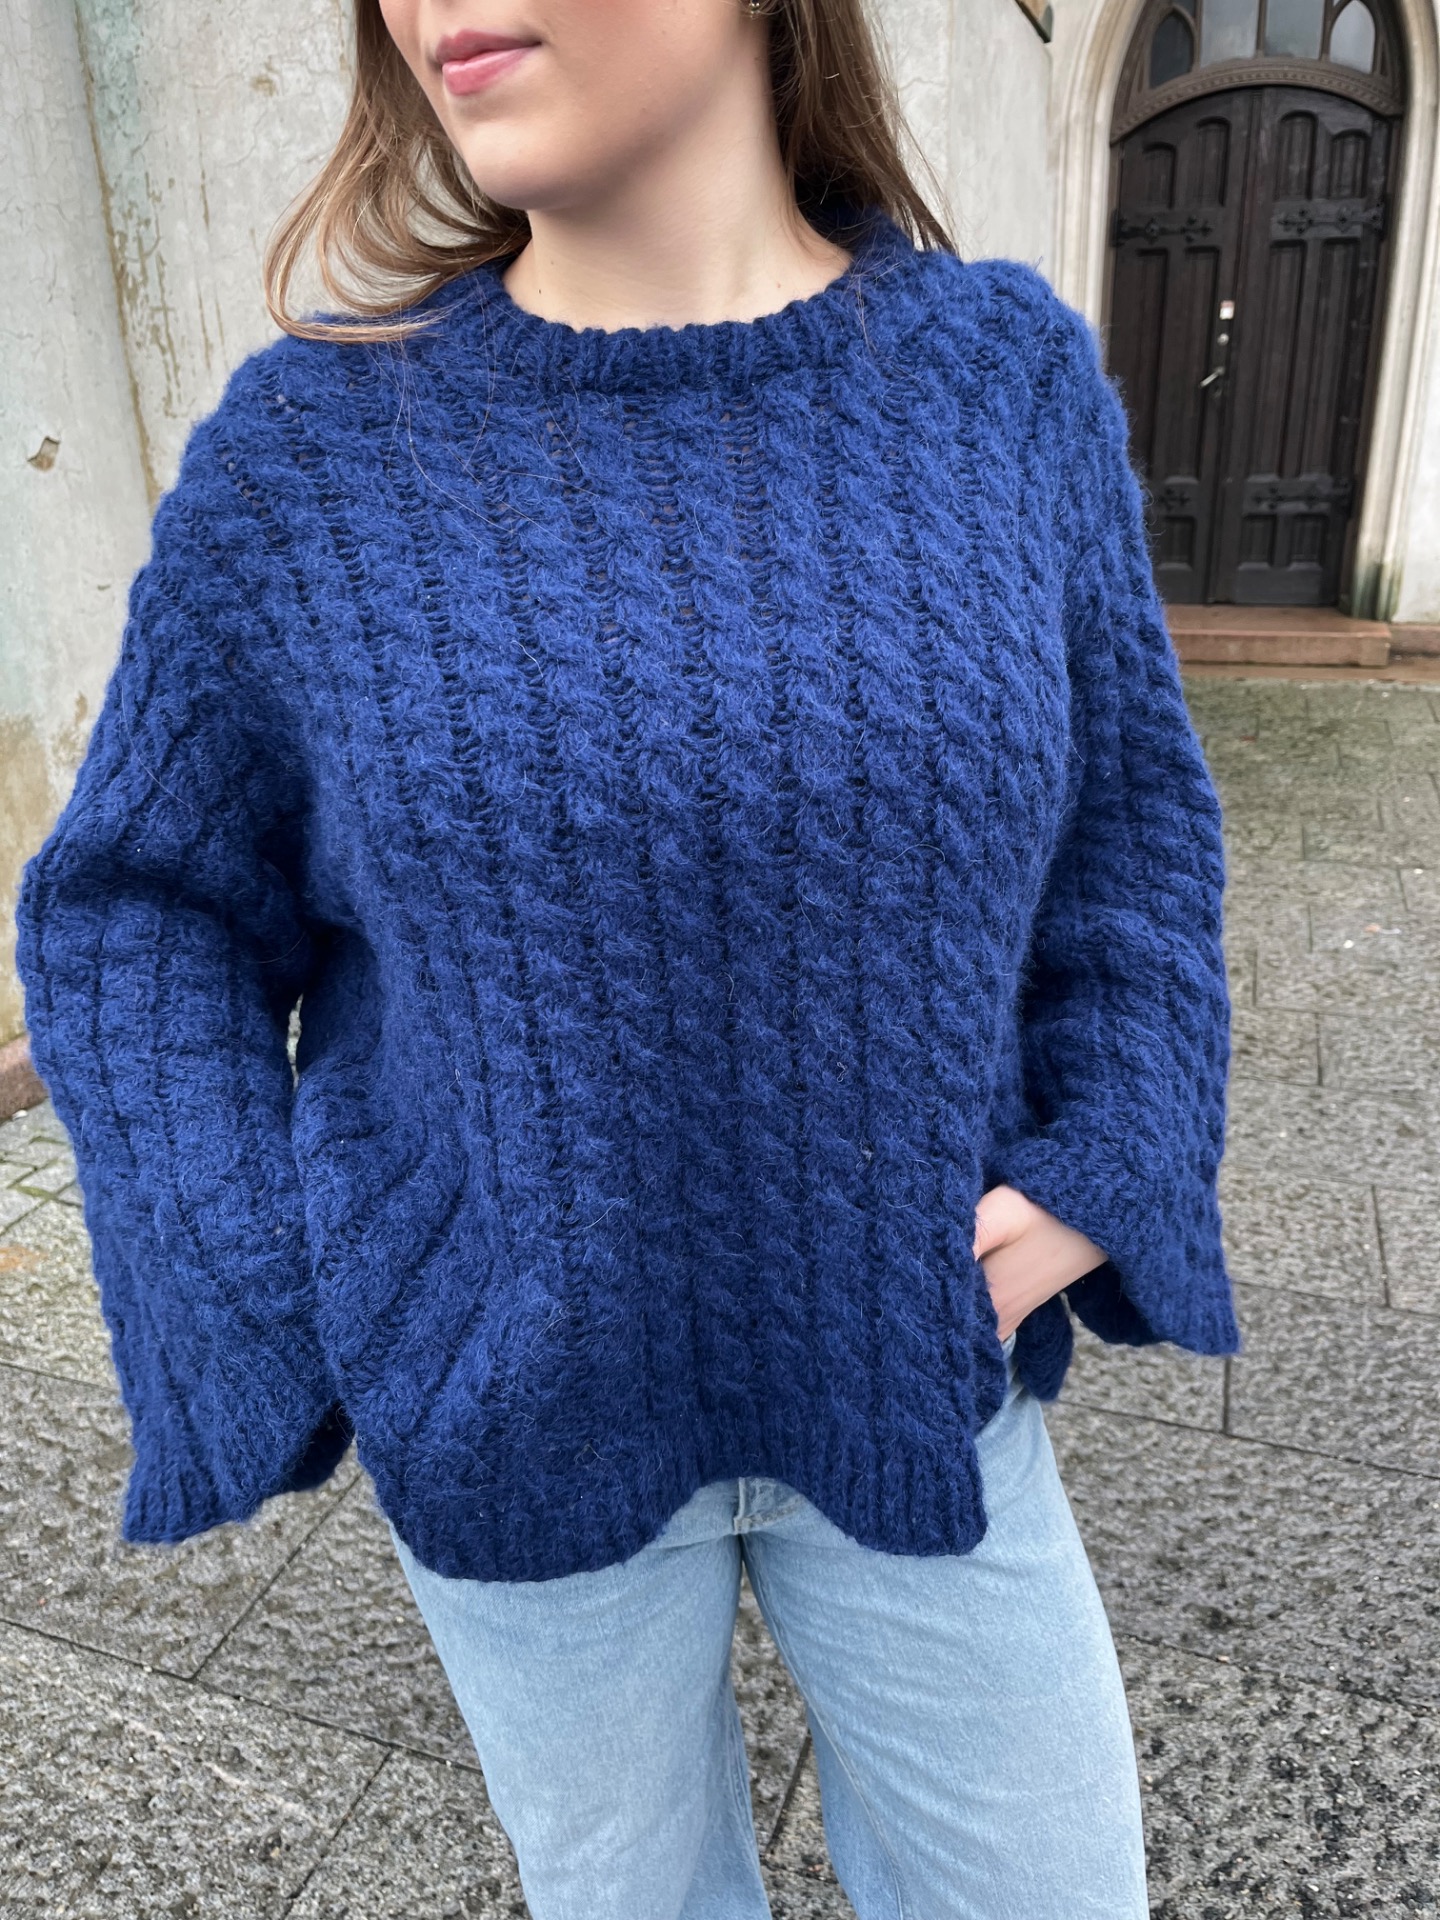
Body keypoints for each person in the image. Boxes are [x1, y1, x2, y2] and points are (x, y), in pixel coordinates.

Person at [13, 1, 1242, 1914]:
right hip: (505, 1396)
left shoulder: (1001, 386)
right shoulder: (312, 459)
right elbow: (137, 906)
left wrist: (1114, 1159)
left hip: (920, 1364)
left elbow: (1132, 838)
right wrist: (266, 1282)